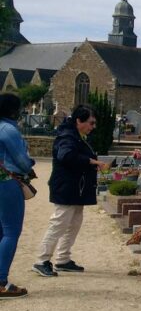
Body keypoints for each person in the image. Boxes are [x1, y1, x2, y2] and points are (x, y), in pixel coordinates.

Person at [34, 105, 107, 277]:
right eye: (91, 122)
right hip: (66, 187)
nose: (93, 126)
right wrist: (91, 162)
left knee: (73, 224)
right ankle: (41, 260)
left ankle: (63, 259)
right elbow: (65, 156)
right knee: (59, 223)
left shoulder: (76, 136)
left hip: (75, 188)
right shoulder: (67, 137)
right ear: (78, 121)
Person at [0, 93, 35, 299]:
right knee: (11, 232)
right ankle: (1, 281)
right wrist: (30, 166)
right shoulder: (8, 129)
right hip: (7, 181)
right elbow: (22, 161)